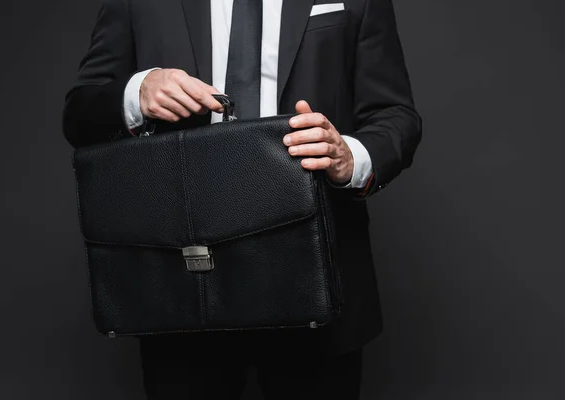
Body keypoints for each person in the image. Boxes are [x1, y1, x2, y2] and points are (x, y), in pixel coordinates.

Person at [62, 0, 422, 398]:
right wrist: (137, 92)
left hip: (318, 273)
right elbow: (79, 113)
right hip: (184, 278)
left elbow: (396, 114)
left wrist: (350, 156)